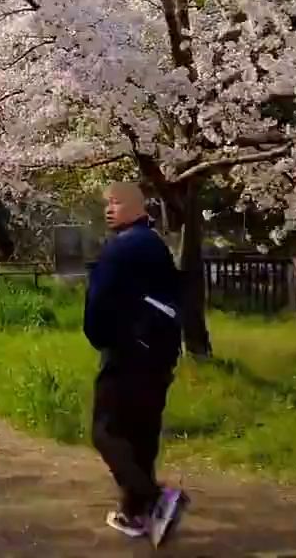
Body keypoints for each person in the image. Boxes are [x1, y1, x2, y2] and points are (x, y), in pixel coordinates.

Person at [83, 180, 185, 542]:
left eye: (117, 203)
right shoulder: (155, 245)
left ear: (138, 207)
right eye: (107, 204)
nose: (110, 209)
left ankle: (156, 499)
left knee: (107, 431)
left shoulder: (120, 248)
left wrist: (100, 339)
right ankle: (134, 514)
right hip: (160, 354)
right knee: (141, 435)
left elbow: (98, 305)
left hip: (128, 353)